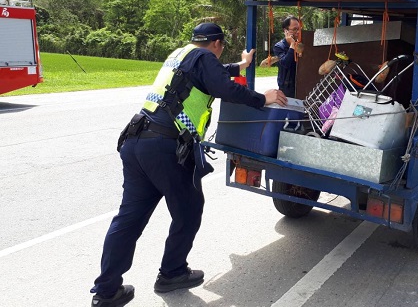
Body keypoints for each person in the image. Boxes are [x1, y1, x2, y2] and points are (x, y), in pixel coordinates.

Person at [90, 22, 287, 307]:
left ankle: (106, 291)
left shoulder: (181, 54)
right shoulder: (206, 58)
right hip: (165, 148)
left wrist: (241, 65)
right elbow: (223, 87)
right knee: (189, 211)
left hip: (136, 141)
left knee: (128, 219)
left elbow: (210, 75)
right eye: (220, 52)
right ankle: (172, 273)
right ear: (217, 45)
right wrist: (262, 98)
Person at [273, 16, 300, 97]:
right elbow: (285, 63)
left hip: (300, 83)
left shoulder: (300, 44)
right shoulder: (279, 46)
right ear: (286, 31)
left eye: (299, 29)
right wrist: (292, 45)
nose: (298, 32)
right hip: (287, 86)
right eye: (295, 29)